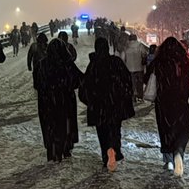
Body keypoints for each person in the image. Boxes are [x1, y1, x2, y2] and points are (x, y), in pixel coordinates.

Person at [80, 36, 134, 170]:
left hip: (99, 106)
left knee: (102, 131)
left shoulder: (93, 65)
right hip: (115, 104)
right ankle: (115, 149)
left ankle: (106, 152)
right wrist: (124, 97)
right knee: (115, 128)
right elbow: (127, 80)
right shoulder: (116, 62)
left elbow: (85, 86)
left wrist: (90, 102)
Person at [36, 38, 83, 162]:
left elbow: (37, 84)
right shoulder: (67, 63)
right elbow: (78, 80)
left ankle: (52, 151)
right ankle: (65, 148)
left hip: (47, 101)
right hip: (65, 99)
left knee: (50, 124)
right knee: (66, 124)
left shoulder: (42, 64)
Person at [151, 36, 189, 175]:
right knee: (182, 130)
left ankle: (168, 160)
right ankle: (179, 153)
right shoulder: (184, 63)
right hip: (181, 103)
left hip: (163, 103)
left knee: (166, 131)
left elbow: (147, 77)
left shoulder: (160, 62)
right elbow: (188, 85)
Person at [123, 32, 148, 103]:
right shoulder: (140, 45)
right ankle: (140, 96)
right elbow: (144, 54)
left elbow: (123, 58)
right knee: (140, 83)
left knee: (131, 83)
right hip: (139, 68)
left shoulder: (126, 47)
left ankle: (133, 96)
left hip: (129, 68)